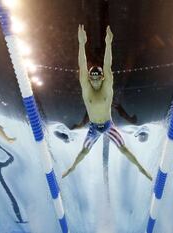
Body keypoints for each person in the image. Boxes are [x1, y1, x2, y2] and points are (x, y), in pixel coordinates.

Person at [62, 25, 152, 180]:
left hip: (108, 125)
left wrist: (109, 44)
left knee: (124, 150)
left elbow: (107, 65)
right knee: (83, 152)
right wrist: (81, 44)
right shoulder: (86, 87)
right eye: (93, 78)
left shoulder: (107, 84)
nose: (95, 81)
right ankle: (72, 167)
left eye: (98, 78)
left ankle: (141, 169)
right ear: (89, 78)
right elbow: (82, 66)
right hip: (93, 128)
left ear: (103, 77)